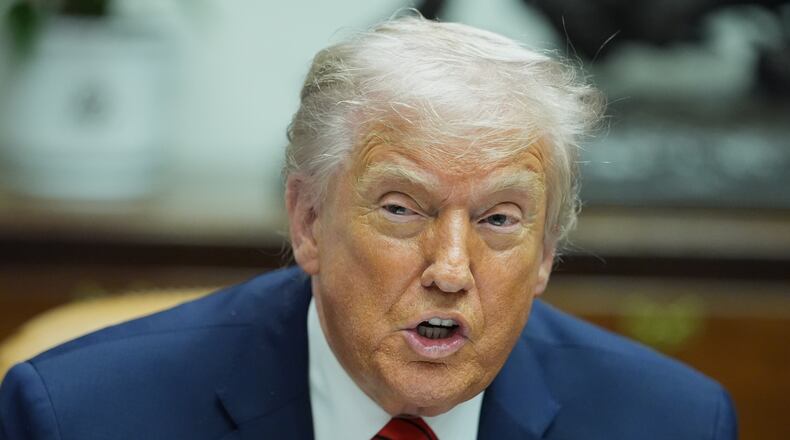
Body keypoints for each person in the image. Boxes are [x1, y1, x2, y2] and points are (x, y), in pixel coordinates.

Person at [0, 15, 736, 440]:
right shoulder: (80, 417)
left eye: (498, 219)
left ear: (545, 253)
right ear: (308, 221)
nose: (451, 268)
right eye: (401, 209)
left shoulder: (672, 423)